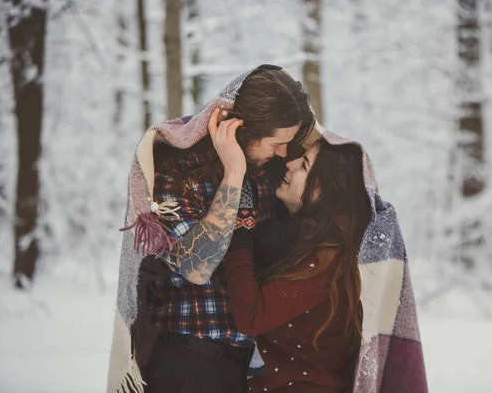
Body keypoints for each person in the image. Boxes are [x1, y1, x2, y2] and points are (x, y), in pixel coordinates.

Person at [135, 65, 315, 393]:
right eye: (276, 142)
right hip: (187, 364)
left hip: (247, 367)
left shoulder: (267, 173)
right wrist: (233, 173)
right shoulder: (175, 168)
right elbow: (195, 267)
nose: (283, 152)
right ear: (241, 130)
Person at [222, 138, 370, 392]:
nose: (289, 165)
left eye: (304, 165)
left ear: (323, 191)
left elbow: (251, 316)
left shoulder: (328, 257)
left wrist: (240, 228)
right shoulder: (301, 242)